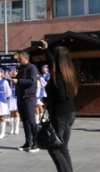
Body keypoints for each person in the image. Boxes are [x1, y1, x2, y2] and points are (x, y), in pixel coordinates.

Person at [40, 40, 78, 172]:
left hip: (60, 115)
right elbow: (53, 62)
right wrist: (46, 49)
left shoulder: (58, 77)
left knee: (53, 148)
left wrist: (47, 99)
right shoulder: (68, 71)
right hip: (70, 113)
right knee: (62, 147)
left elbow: (60, 97)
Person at [11, 51, 39, 152]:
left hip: (29, 97)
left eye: (20, 58)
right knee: (25, 120)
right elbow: (18, 80)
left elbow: (32, 81)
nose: (18, 60)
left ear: (26, 58)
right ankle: (28, 142)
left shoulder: (32, 68)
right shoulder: (21, 68)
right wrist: (14, 76)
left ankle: (36, 143)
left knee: (31, 120)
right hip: (21, 96)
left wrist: (18, 81)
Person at [8, 67, 20, 135]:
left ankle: (17, 128)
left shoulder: (18, 79)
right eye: (11, 71)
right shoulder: (8, 80)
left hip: (16, 97)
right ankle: (12, 128)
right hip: (10, 97)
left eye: (14, 71)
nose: (12, 73)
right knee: (11, 112)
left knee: (16, 112)